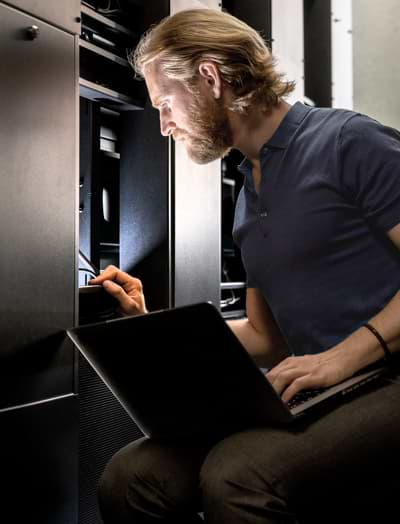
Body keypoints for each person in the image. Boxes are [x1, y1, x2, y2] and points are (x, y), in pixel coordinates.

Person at [90, 8, 400, 524]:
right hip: (319, 388)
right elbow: (265, 336)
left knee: (239, 474)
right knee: (132, 477)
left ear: (210, 77)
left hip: (387, 377)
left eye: (166, 104)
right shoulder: (248, 193)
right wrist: (150, 327)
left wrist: (345, 355)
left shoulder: (350, 141)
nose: (165, 126)